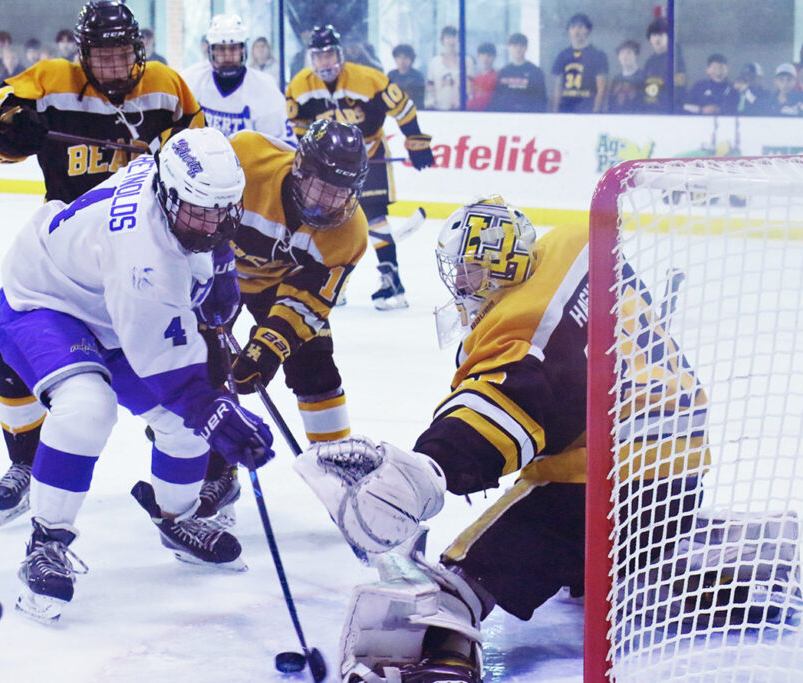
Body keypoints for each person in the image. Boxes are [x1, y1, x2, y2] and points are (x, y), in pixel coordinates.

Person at [293, 197, 714, 682]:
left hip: (610, 487)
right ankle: (610, 566)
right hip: (683, 471)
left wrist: (422, 471)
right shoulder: (575, 243)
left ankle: (439, 656)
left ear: (498, 269)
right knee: (568, 530)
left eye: (468, 270)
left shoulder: (520, 328)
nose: (459, 282)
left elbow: (504, 408)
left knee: (459, 577)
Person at [0, 127, 275, 623]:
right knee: (89, 407)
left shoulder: (178, 185)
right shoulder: (142, 257)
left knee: (184, 423)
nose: (211, 224)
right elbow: (170, 371)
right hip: (47, 301)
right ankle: (47, 541)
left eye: (221, 211)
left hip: (107, 301)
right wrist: (216, 410)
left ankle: (178, 517)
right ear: (169, 197)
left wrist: (219, 271)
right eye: (198, 211)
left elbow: (209, 234)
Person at [0, 0, 205, 527]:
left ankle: (197, 481)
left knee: (189, 372)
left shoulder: (167, 86)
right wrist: (2, 133)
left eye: (122, 55)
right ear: (82, 54)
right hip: (71, 257)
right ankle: (25, 465)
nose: (113, 66)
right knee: (14, 359)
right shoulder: (50, 80)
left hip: (146, 259)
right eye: (102, 55)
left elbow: (203, 153)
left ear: (139, 51)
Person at [191, 120, 371, 522]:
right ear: (299, 170)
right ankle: (214, 472)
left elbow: (308, 299)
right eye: (322, 188)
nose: (328, 204)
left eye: (341, 193)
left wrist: (267, 348)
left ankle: (338, 468)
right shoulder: (246, 160)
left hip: (279, 284)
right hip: (214, 272)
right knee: (203, 370)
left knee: (315, 366)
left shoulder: (350, 231)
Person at [286, 25, 435, 310]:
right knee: (326, 218)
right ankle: (333, 282)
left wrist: (416, 141)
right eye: (318, 56)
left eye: (329, 55)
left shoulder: (368, 79)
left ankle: (392, 283)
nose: (324, 62)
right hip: (327, 164)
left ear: (339, 54)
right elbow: (300, 130)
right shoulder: (299, 86)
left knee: (375, 215)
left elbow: (402, 107)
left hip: (369, 152)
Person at [180, 14, 294, 144]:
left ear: (243, 50)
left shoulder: (266, 89)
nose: (227, 55)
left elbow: (283, 147)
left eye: (233, 48)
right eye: (221, 49)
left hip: (249, 162)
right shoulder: (191, 80)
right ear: (211, 51)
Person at [550, 12, 609, 113]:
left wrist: (596, 111)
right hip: (566, 110)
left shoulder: (598, 55)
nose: (576, 31)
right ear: (568, 31)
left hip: (588, 110)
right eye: (573, 27)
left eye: (580, 27)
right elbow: (557, 87)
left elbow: (602, 88)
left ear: (588, 30)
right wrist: (555, 111)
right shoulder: (563, 55)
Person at [489, 33, 546, 113]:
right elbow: (496, 98)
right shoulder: (504, 72)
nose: (518, 49)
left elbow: (541, 100)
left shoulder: (535, 72)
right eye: (515, 46)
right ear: (509, 48)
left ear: (526, 48)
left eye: (521, 46)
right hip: (506, 116)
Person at [641, 17, 686, 113]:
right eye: (654, 35)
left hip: (667, 112)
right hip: (649, 111)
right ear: (650, 40)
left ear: (668, 38)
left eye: (661, 35)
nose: (657, 38)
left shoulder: (675, 59)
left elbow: (679, 88)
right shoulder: (649, 62)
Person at [426, 25, 474, 110]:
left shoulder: (467, 61)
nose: (451, 41)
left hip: (461, 111)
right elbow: (430, 89)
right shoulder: (434, 62)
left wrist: (462, 103)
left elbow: (469, 89)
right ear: (442, 41)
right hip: (438, 111)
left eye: (454, 37)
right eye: (448, 37)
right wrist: (430, 105)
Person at [608, 39, 644, 113]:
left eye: (629, 53)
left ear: (636, 55)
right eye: (621, 53)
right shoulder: (616, 78)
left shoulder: (644, 77)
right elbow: (611, 103)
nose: (624, 56)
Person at [387, 44, 425, 109]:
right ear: (395, 59)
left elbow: (419, 99)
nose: (402, 61)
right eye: (399, 57)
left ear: (411, 60)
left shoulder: (417, 76)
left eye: (406, 58)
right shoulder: (391, 75)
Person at [465, 43, 497, 111]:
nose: (485, 59)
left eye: (489, 56)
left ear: (494, 57)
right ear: (478, 56)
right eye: (482, 55)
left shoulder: (497, 77)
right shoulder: (475, 79)